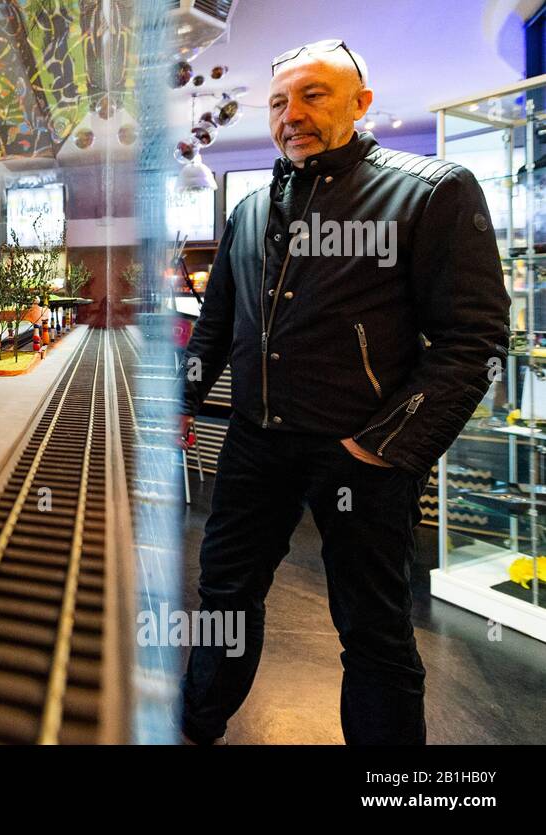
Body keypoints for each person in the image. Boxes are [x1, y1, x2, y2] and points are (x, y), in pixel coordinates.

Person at [180, 40, 510, 745]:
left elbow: (473, 343)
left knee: (374, 631)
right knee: (223, 600)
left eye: (313, 96)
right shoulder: (247, 211)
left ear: (362, 103)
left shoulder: (431, 191)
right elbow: (213, 330)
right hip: (252, 445)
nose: (291, 114)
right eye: (277, 103)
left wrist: (379, 448)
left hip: (359, 453)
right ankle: (197, 725)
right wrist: (177, 405)